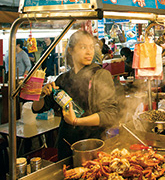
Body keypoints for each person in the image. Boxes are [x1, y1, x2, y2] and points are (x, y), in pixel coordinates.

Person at [32, 30, 118, 160]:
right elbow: (38, 108)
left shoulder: (100, 75)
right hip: (66, 145)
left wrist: (77, 121)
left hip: (94, 146)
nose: (89, 52)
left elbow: (111, 114)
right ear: (71, 51)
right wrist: (41, 94)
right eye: (83, 47)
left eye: (91, 47)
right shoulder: (63, 79)